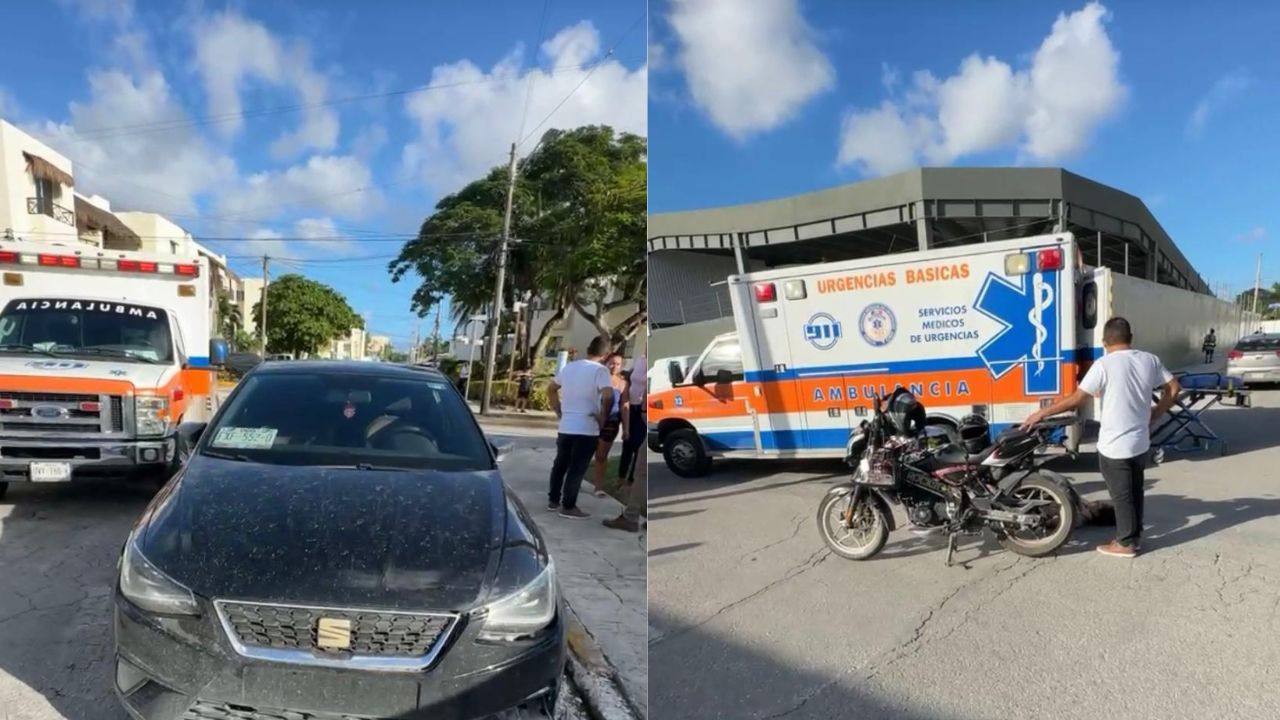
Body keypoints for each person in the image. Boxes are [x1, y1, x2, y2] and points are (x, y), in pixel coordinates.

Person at [1022, 317, 1179, 557]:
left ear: (1105, 341)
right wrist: (1156, 413)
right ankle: (1134, 533)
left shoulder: (1104, 365)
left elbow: (1076, 399)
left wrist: (1042, 412)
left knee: (1122, 495)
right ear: (1131, 339)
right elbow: (1174, 388)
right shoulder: (1150, 360)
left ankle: (1126, 543)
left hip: (1115, 445)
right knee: (1135, 490)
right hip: (1140, 441)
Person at [546, 336, 613, 519]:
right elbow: (607, 396)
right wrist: (602, 418)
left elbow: (551, 388)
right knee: (577, 468)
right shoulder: (600, 370)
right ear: (606, 354)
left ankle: (553, 500)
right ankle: (568, 506)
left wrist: (558, 409)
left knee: (560, 463)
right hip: (586, 426)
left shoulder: (569, 367)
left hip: (566, 424)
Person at [606, 352, 648, 533]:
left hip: (648, 415)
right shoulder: (642, 359)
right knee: (641, 466)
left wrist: (645, 413)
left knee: (642, 472)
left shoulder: (648, 360)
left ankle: (631, 517)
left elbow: (648, 389)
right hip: (643, 413)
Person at [591, 353, 628, 498]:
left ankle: (599, 487)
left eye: (618, 364)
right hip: (593, 419)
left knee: (601, 456)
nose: (614, 366)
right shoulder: (597, 379)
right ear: (606, 363)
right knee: (584, 453)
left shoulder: (623, 383)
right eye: (612, 363)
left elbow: (625, 405)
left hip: (611, 422)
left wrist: (626, 428)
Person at [616, 353, 647, 485]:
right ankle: (621, 477)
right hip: (631, 406)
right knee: (627, 442)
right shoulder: (640, 359)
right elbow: (629, 377)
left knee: (639, 445)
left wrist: (644, 409)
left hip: (643, 409)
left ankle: (632, 479)